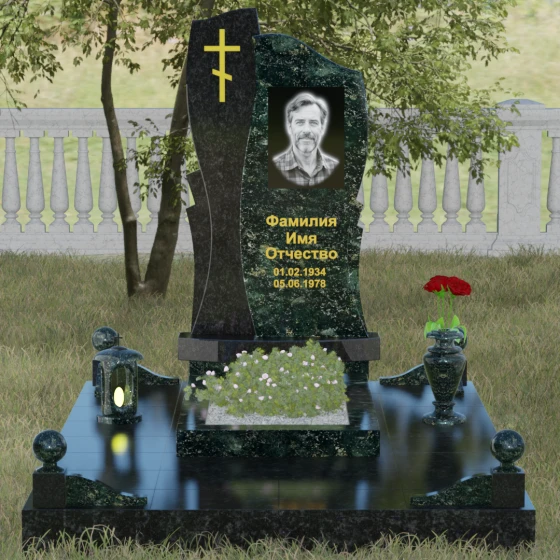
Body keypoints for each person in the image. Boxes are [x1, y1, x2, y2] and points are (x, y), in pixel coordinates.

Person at [272, 92, 339, 186]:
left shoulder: (337, 169)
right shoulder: (272, 169)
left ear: (322, 128)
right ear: (289, 127)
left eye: (313, 122)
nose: (306, 130)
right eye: (300, 122)